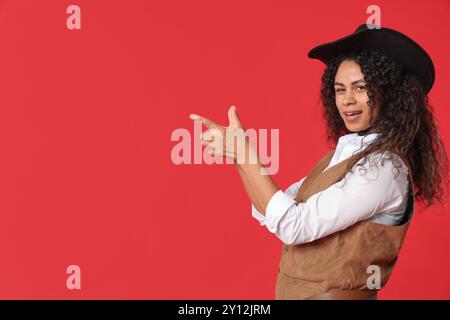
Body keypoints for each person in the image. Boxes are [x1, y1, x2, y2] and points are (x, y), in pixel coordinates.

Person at [188, 24, 448, 299]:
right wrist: (238, 157)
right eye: (339, 90)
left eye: (361, 88)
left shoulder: (383, 168)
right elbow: (272, 209)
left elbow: (293, 225)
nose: (347, 100)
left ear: (391, 94)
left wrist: (246, 155)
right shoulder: (341, 155)